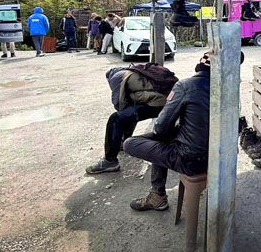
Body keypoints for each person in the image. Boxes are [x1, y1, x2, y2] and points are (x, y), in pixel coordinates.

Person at [123, 50, 244, 212]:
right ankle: (157, 195)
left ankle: (157, 195)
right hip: (222, 158)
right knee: (165, 139)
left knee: (131, 143)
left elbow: (160, 128)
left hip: (192, 160)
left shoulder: (185, 86)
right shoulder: (230, 89)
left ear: (200, 65)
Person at [85, 63, 179, 174]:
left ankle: (110, 161)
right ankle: (125, 141)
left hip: (158, 103)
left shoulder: (115, 77)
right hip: (172, 102)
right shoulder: (137, 71)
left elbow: (119, 103)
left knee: (116, 118)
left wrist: (118, 129)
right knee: (129, 113)